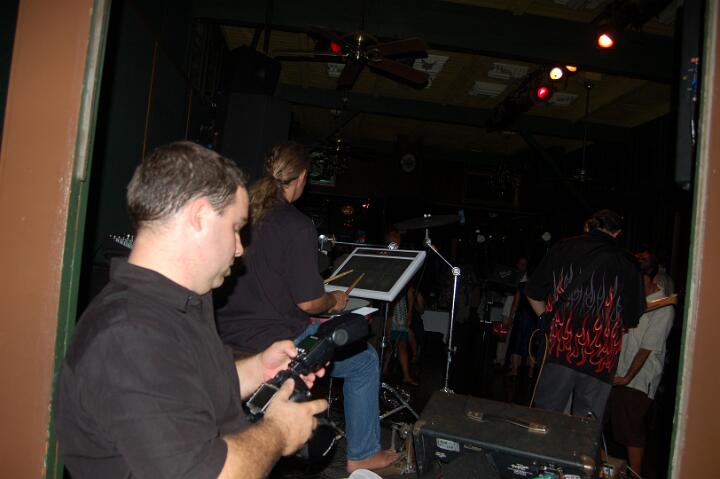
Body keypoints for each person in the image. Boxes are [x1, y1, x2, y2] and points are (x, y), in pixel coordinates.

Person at [53, 142, 328, 479]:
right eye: (235, 228)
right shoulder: (130, 336)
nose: (239, 248)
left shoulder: (176, 305)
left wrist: (259, 369)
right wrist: (280, 432)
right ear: (199, 217)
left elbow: (189, 389)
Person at [215, 142, 400, 473]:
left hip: (226, 336)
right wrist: (334, 300)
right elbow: (308, 302)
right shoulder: (297, 225)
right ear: (301, 177)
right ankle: (362, 454)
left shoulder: (246, 216)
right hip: (276, 341)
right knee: (364, 361)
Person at [525, 209, 645, 421]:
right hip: (601, 357)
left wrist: (546, 319)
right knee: (586, 426)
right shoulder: (628, 262)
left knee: (546, 419)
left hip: (559, 348)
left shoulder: (564, 247)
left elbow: (533, 292)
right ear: (617, 233)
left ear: (589, 226)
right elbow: (631, 318)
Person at [609, 251, 674, 474]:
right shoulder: (633, 299)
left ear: (653, 278)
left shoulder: (664, 307)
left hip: (639, 380)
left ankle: (636, 474)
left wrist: (627, 377)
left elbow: (646, 348)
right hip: (619, 372)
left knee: (632, 431)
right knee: (615, 427)